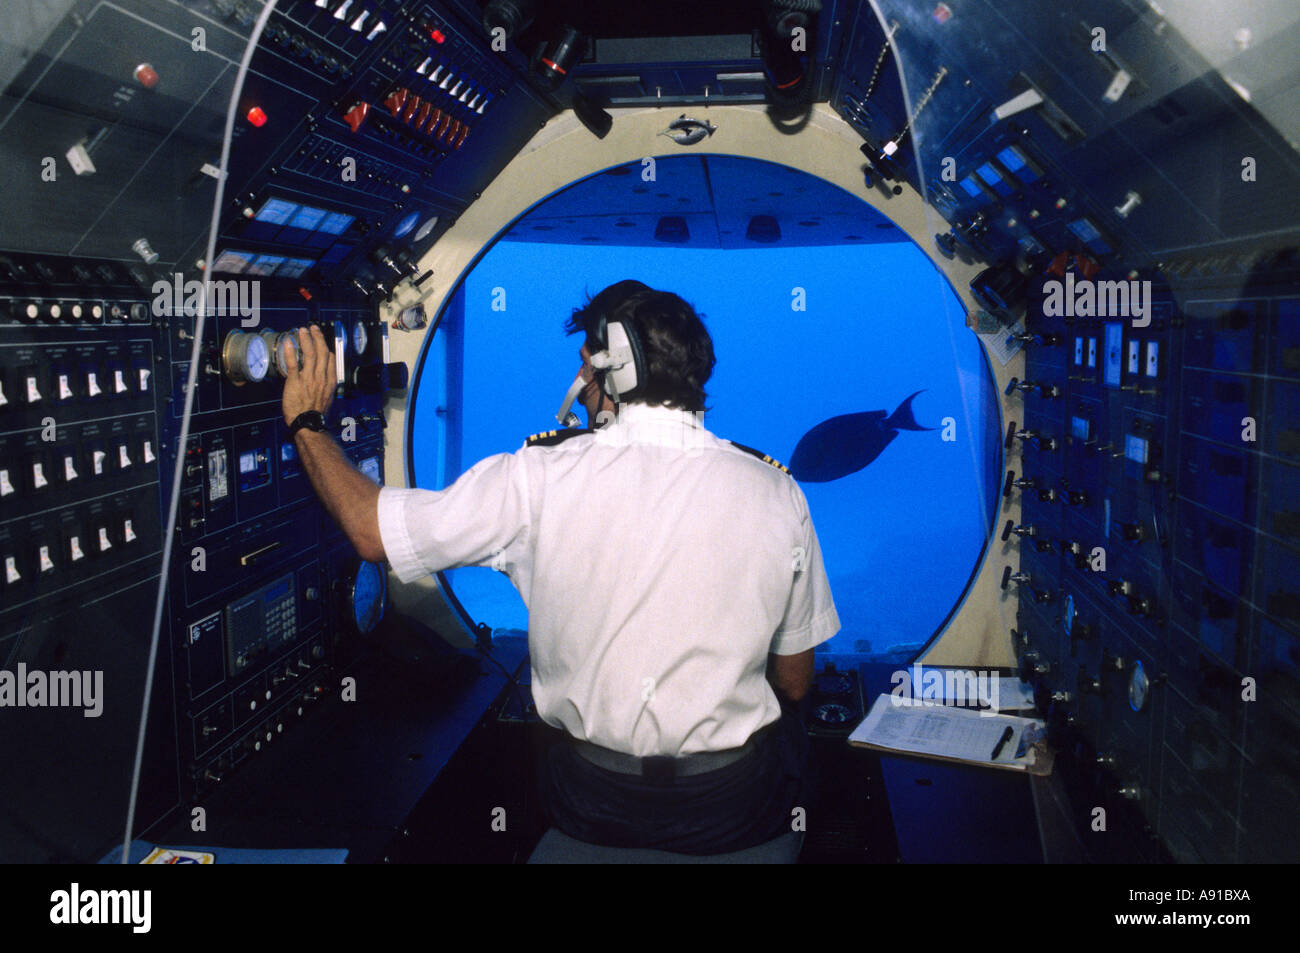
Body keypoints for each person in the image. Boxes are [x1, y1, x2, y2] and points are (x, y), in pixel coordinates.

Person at [281, 279, 839, 857]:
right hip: (732, 803)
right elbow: (794, 681)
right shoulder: (778, 491)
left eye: (584, 363)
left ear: (610, 370)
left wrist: (307, 423)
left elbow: (371, 530)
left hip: (591, 799)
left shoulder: (536, 478)